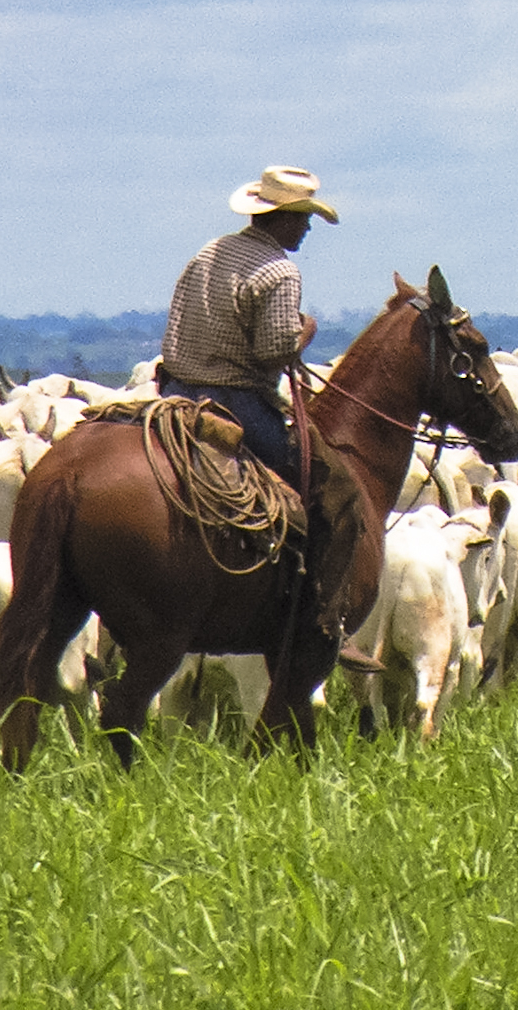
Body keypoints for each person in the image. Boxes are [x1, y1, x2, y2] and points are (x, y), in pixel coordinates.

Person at [155, 165, 381, 671]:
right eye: (302, 219)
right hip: (235, 402)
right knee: (338, 494)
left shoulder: (207, 253)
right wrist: (306, 332)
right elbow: (270, 354)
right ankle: (325, 617)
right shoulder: (279, 271)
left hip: (173, 395)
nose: (306, 229)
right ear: (280, 218)